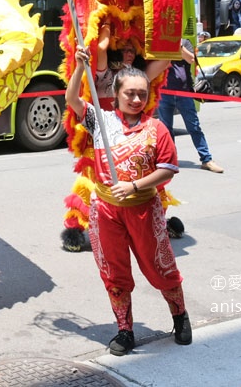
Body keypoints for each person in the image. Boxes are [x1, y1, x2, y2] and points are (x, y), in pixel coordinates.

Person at [66, 48, 191, 357]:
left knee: (160, 267)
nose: (136, 99)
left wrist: (134, 185)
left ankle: (180, 316)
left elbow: (168, 168)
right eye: (130, 93)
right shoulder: (101, 122)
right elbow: (72, 100)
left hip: (144, 210)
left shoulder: (156, 129)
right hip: (105, 211)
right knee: (114, 273)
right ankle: (125, 330)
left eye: (141, 94)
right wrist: (81, 68)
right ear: (117, 93)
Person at [157, 38, 223, 173]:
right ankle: (170, 159)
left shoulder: (184, 42)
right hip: (164, 92)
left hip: (184, 93)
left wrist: (178, 45)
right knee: (166, 129)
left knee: (194, 127)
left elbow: (190, 59)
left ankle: (206, 159)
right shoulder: (160, 42)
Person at [93, 23, 169, 110]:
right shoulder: (107, 73)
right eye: (125, 50)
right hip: (102, 121)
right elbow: (101, 49)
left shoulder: (139, 76)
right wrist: (107, 23)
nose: (129, 54)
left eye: (132, 51)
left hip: (128, 123)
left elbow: (165, 60)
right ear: (116, 52)